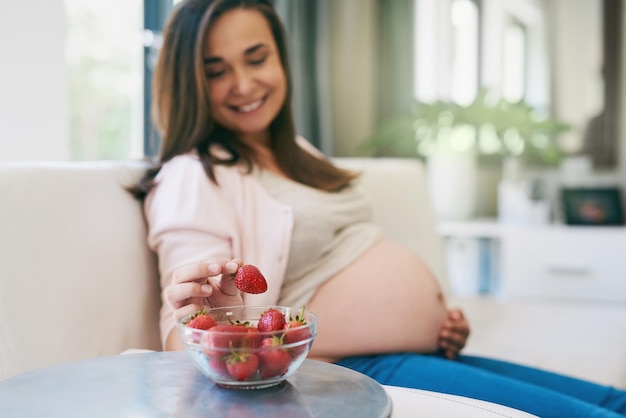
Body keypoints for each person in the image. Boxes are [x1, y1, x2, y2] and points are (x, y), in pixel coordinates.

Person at [131, 1, 626, 416]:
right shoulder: (193, 174)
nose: (243, 83)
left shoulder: (299, 155)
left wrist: (434, 322)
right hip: (356, 370)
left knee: (613, 401)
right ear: (190, 82)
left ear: (281, 58)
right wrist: (199, 316)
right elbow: (183, 341)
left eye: (256, 58)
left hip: (409, 352)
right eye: (216, 71)